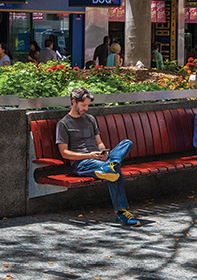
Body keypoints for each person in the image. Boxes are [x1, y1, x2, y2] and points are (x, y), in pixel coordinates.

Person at [54, 86, 141, 226]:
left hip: (99, 160)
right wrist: (88, 155)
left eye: (88, 105)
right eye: (83, 105)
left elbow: (99, 143)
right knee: (114, 171)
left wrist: (104, 153)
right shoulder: (63, 124)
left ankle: (111, 164)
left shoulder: (90, 119)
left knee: (127, 143)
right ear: (73, 101)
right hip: (82, 163)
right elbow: (64, 153)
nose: (86, 109)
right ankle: (121, 213)